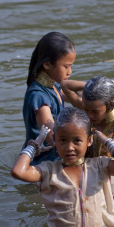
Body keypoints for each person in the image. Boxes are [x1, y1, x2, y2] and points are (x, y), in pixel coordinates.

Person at [11, 107, 114, 227]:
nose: (69, 147)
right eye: (63, 140)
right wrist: (34, 146)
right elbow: (18, 172)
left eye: (77, 141)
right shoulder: (49, 170)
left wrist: (107, 141)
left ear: (89, 141)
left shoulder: (99, 166)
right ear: (54, 140)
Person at [61, 76, 114, 192]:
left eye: (95, 112)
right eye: (86, 109)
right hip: (89, 182)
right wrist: (95, 86)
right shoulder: (88, 112)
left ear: (111, 105)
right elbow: (65, 85)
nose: (90, 115)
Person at [22, 31, 76, 164]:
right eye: (66, 66)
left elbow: (71, 93)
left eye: (71, 66)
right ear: (47, 64)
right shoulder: (39, 97)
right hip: (45, 162)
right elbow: (52, 136)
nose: (70, 71)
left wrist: (95, 92)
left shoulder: (53, 86)